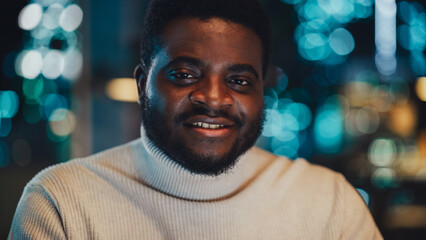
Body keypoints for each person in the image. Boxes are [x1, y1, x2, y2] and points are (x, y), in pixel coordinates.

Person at [9, 0, 383, 239]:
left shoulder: (329, 204)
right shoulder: (61, 203)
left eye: (239, 81)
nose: (215, 98)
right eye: (185, 75)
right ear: (143, 85)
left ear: (261, 93)